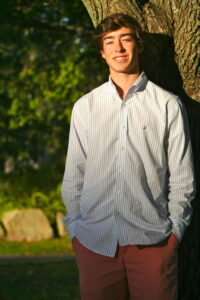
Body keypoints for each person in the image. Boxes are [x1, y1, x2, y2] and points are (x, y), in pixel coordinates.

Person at [61, 13, 196, 300]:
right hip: (94, 243)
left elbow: (183, 177)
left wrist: (174, 234)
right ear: (102, 53)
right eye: (109, 42)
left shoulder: (167, 105)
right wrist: (75, 231)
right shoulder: (85, 107)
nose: (118, 48)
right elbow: (74, 176)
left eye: (125, 39)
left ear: (139, 45)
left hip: (153, 244)